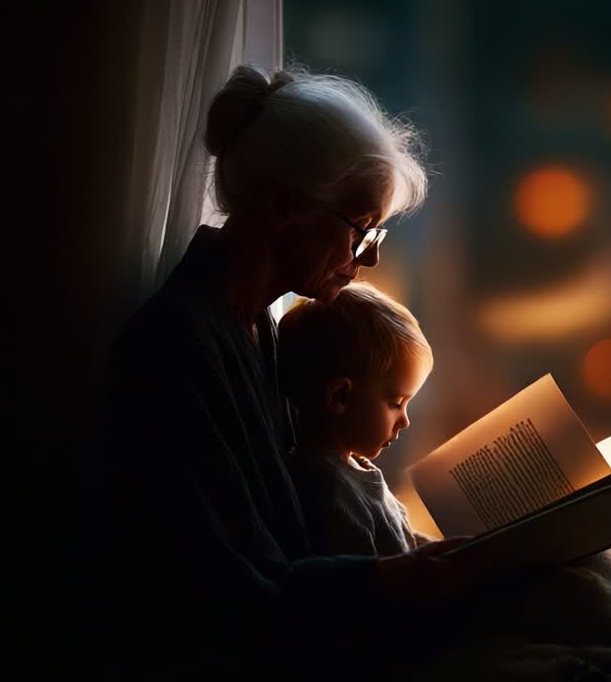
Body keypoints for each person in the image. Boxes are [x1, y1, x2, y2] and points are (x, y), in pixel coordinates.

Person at [84, 65, 471, 679]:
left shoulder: (260, 327)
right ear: (285, 205)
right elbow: (225, 590)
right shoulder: (175, 348)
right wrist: (385, 580)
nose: (367, 259)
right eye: (361, 229)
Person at [277, 282, 438, 557]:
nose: (405, 421)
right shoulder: (330, 492)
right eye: (396, 403)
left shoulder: (355, 468)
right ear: (340, 397)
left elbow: (401, 539)